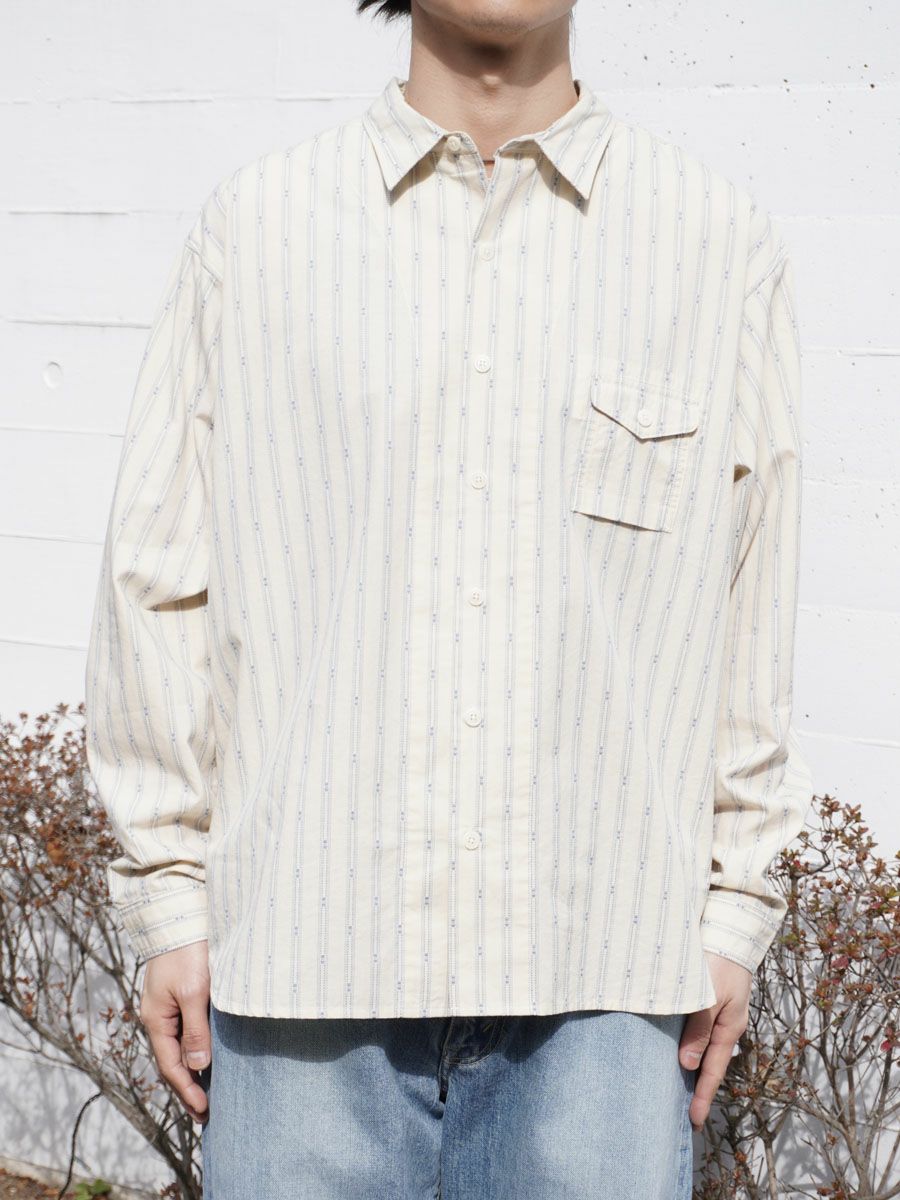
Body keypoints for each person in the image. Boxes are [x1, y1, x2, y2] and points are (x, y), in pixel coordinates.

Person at [83, 1, 813, 1195]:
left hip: (607, 998)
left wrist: (736, 912)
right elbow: (159, 579)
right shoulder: (256, 230)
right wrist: (168, 896)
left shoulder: (714, 242)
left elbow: (751, 601)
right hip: (303, 984)